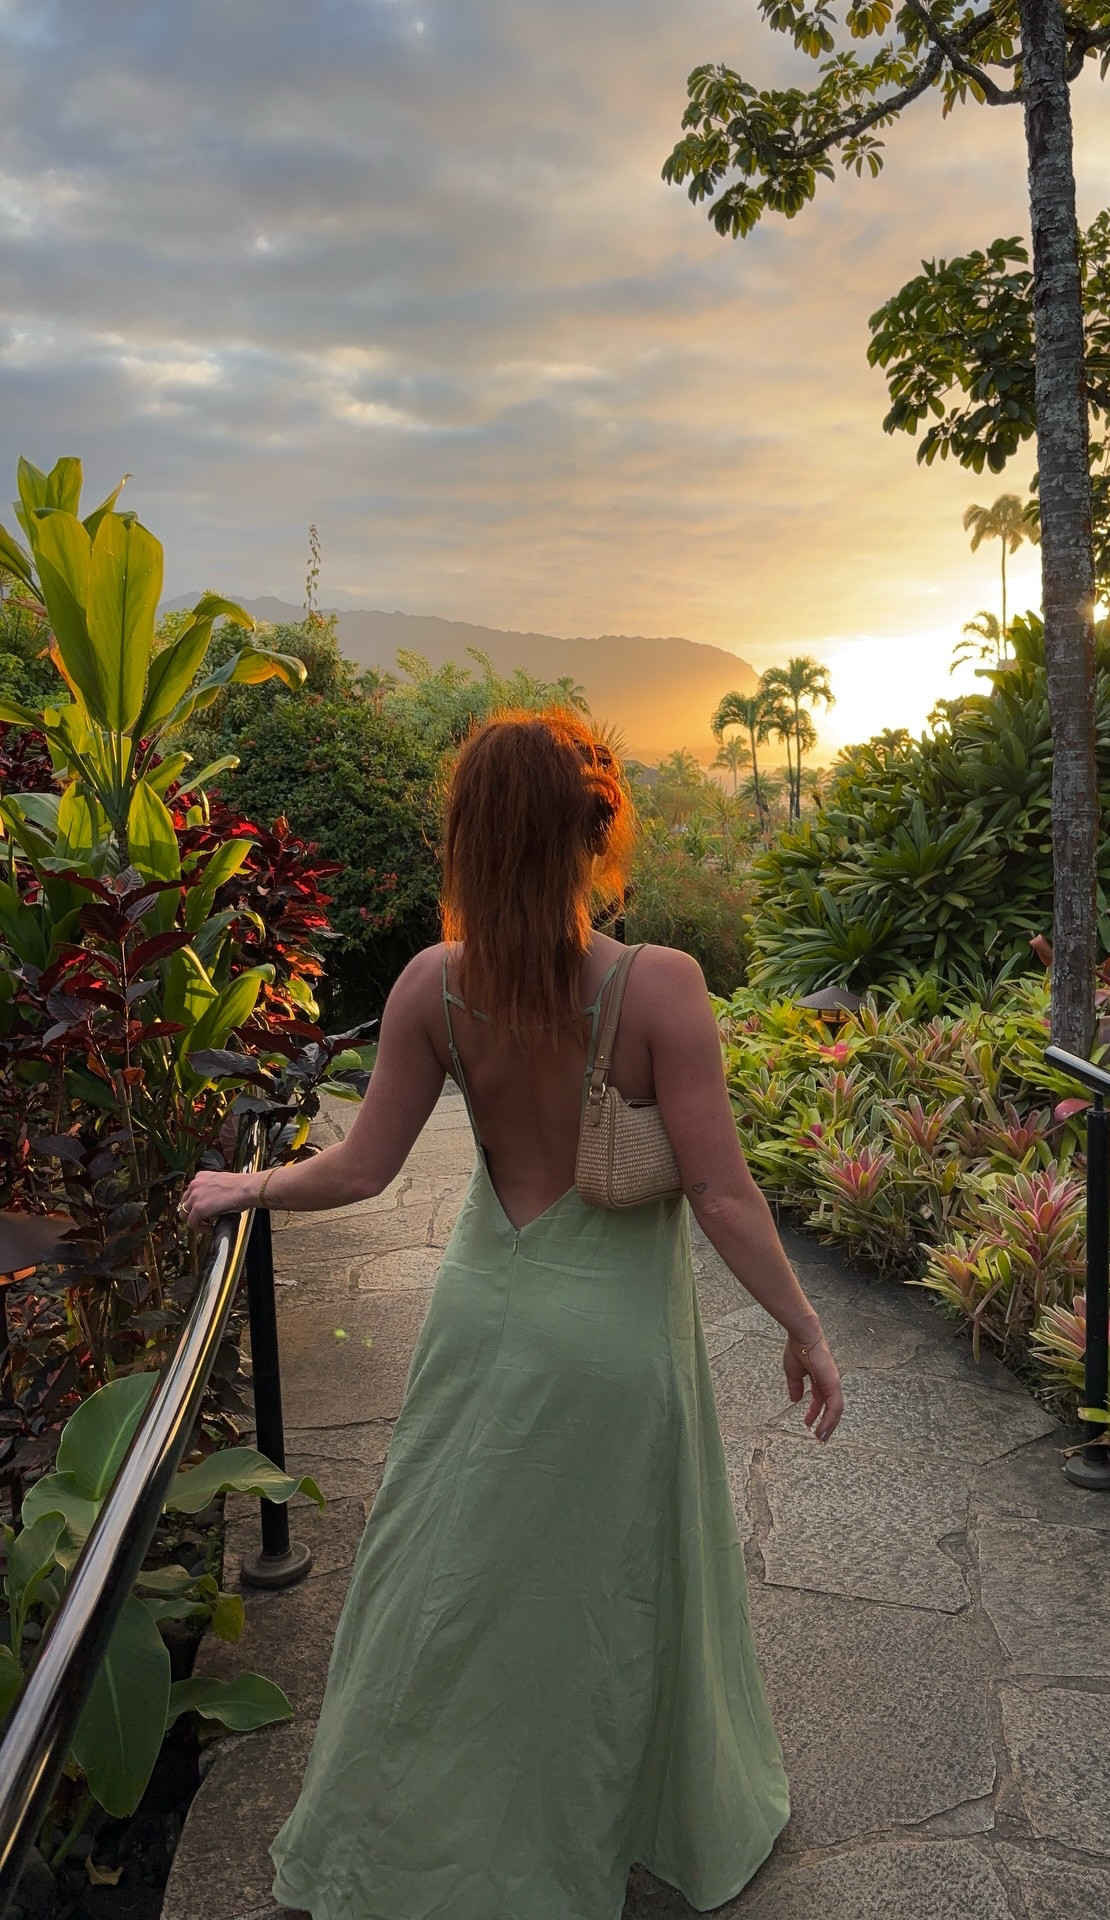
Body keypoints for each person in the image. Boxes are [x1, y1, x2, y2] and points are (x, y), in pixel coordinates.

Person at [182, 709, 844, 1920]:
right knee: (605, 1600)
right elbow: (722, 1195)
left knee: (438, 1589)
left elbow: (362, 1169)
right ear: (595, 832)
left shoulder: (434, 986)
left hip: (481, 1321)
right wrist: (804, 1327)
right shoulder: (659, 987)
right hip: (611, 1346)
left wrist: (250, 1187)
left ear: (470, 842)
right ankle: (590, 1830)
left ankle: (405, 1845)